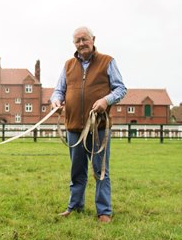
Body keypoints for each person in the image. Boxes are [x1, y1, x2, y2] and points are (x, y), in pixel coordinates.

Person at [50, 26, 127, 223]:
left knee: (100, 170)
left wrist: (106, 101)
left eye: (84, 39)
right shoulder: (68, 65)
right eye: (77, 41)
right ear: (74, 44)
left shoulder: (107, 61)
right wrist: (56, 101)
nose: (81, 43)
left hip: (98, 126)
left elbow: (120, 88)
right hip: (74, 126)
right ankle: (75, 206)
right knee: (77, 170)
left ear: (93, 39)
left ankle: (104, 211)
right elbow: (58, 90)